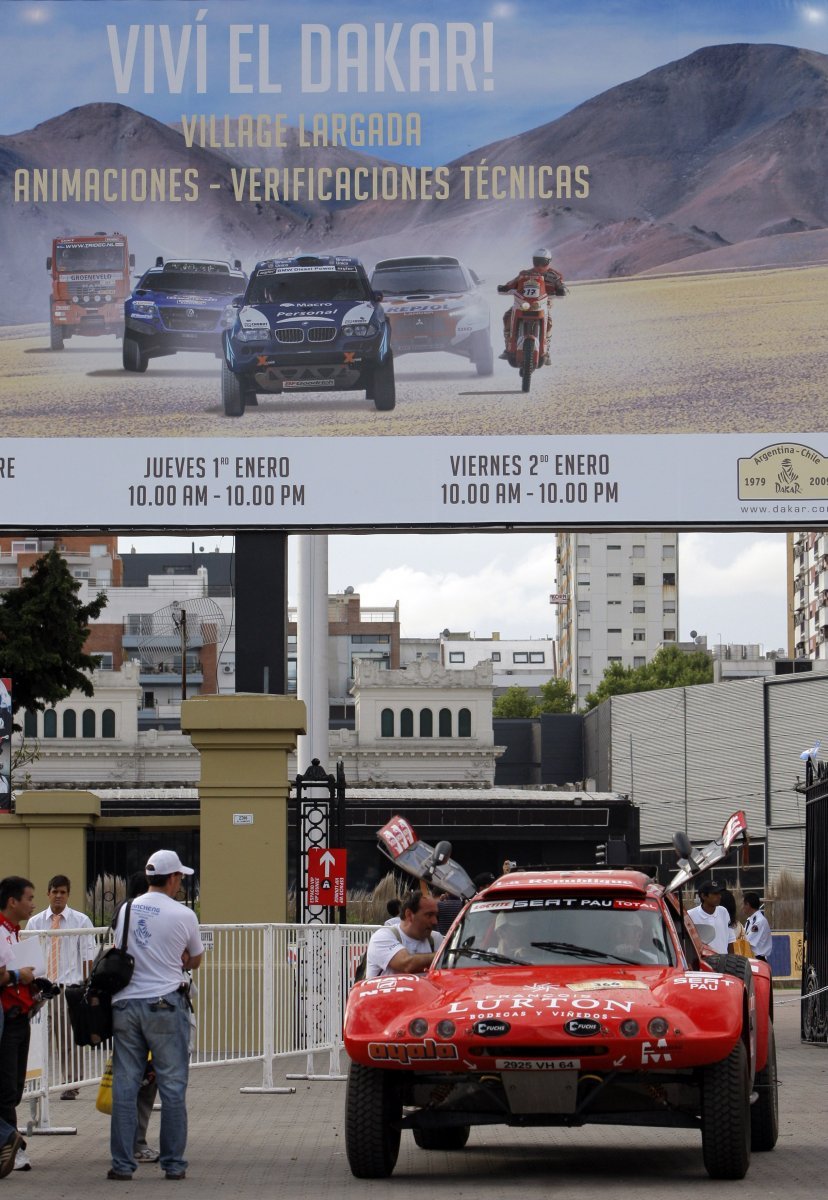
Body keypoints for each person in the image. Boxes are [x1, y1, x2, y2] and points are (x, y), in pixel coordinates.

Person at [107, 850, 204, 1183]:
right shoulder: (183, 915)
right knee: (173, 1087)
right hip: (165, 1003)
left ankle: (122, 1164)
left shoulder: (126, 910)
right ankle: (173, 1164)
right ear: (173, 878)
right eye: (180, 878)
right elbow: (194, 959)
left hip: (125, 1004)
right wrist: (178, 959)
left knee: (125, 1085)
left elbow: (120, 950)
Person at [27, 874, 96, 1099]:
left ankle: (71, 1084)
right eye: (54, 891)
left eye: (63, 892)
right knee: (38, 1040)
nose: (58, 896)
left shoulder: (81, 921)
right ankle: (37, 1084)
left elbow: (87, 957)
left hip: (67, 987)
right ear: (48, 894)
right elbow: (28, 954)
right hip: (40, 988)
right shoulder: (35, 922)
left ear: (68, 894)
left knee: (68, 1039)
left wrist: (87, 986)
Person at [0, 877, 37, 1172]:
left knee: (14, 1086)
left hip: (20, 1016)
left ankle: (9, 1144)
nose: (33, 904)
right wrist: (17, 976)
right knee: (6, 1089)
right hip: (7, 1018)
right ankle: (10, 1145)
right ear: (12, 901)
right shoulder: (1, 930)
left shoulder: (13, 932)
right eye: (29, 898)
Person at [497, 247, 566, 363]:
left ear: (548, 262)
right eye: (536, 262)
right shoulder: (525, 274)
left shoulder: (555, 276)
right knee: (507, 316)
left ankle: (546, 351)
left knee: (549, 322)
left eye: (542, 262)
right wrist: (505, 287)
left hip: (543, 304)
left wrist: (561, 290)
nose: (539, 265)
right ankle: (508, 347)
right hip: (523, 303)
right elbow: (512, 283)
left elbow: (561, 286)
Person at [365, 891, 443, 979]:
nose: (435, 921)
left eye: (436, 915)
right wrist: (443, 954)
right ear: (409, 914)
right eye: (429, 915)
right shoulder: (382, 937)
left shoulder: (436, 939)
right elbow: (407, 964)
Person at [686, 880, 735, 954]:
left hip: (724, 961)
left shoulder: (723, 911)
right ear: (703, 896)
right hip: (704, 962)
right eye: (715, 893)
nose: (719, 896)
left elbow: (730, 940)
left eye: (719, 893)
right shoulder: (690, 915)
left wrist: (731, 962)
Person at [743, 892, 773, 962]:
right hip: (751, 958)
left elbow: (747, 941)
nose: (743, 907)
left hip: (757, 959)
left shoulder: (759, 921)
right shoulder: (751, 920)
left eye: (744, 904)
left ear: (748, 904)